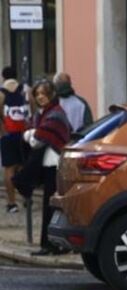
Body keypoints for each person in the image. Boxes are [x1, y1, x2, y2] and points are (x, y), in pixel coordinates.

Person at [15, 80, 70, 256]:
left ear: (52, 94)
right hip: (46, 165)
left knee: (52, 206)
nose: (40, 97)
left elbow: (37, 140)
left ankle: (52, 244)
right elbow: (33, 133)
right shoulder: (43, 113)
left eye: (44, 93)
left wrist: (30, 134)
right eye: (37, 94)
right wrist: (32, 133)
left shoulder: (55, 114)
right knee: (49, 206)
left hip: (54, 165)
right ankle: (50, 244)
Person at [0, 66, 29, 214]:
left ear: (3, 77)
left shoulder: (1, 93)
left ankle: (12, 203)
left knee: (9, 169)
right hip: (24, 134)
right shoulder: (25, 89)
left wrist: (3, 131)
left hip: (8, 134)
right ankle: (26, 198)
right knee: (23, 166)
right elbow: (33, 110)